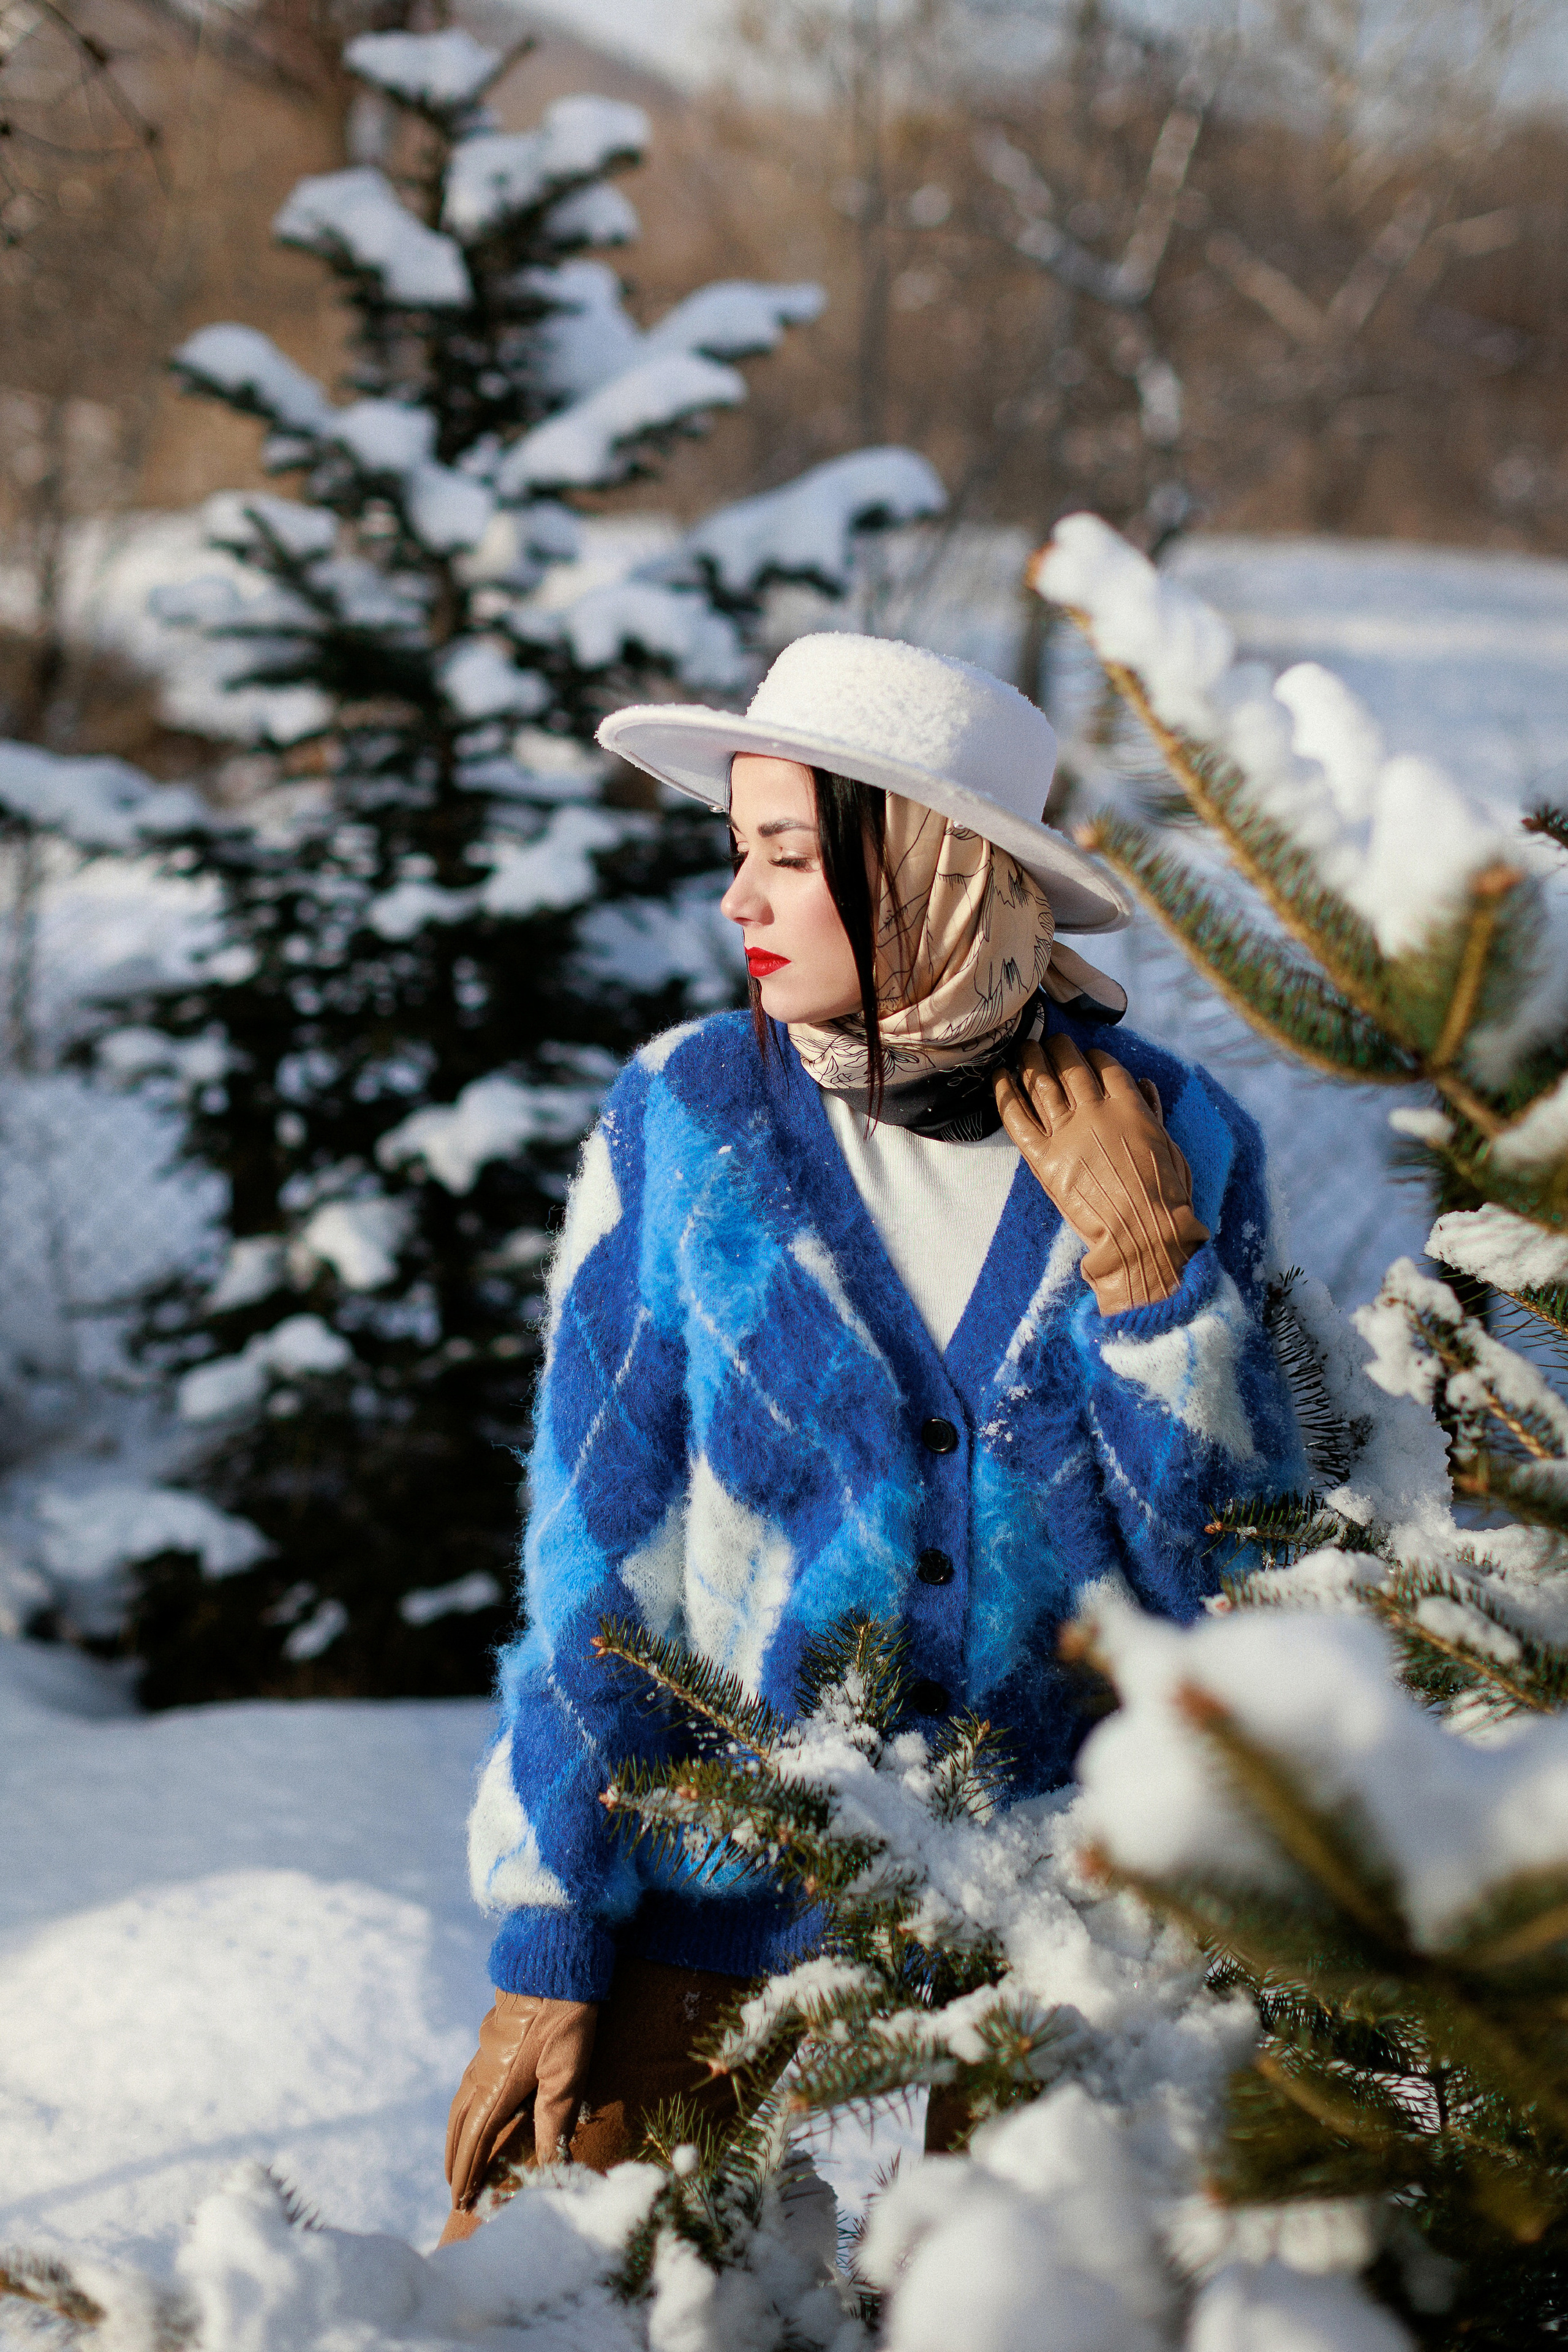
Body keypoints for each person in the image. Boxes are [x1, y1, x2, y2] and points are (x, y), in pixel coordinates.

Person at [439, 632, 1306, 2240]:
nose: (739, 901)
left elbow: (1236, 1594)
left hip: (1052, 1918)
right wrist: (550, 1940)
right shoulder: (687, 1119)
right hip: (711, 1874)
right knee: (585, 2282)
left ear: (930, 871)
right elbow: (595, 1556)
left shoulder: (1178, 1139)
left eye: (784, 853)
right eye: (737, 854)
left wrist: (1154, 1287)